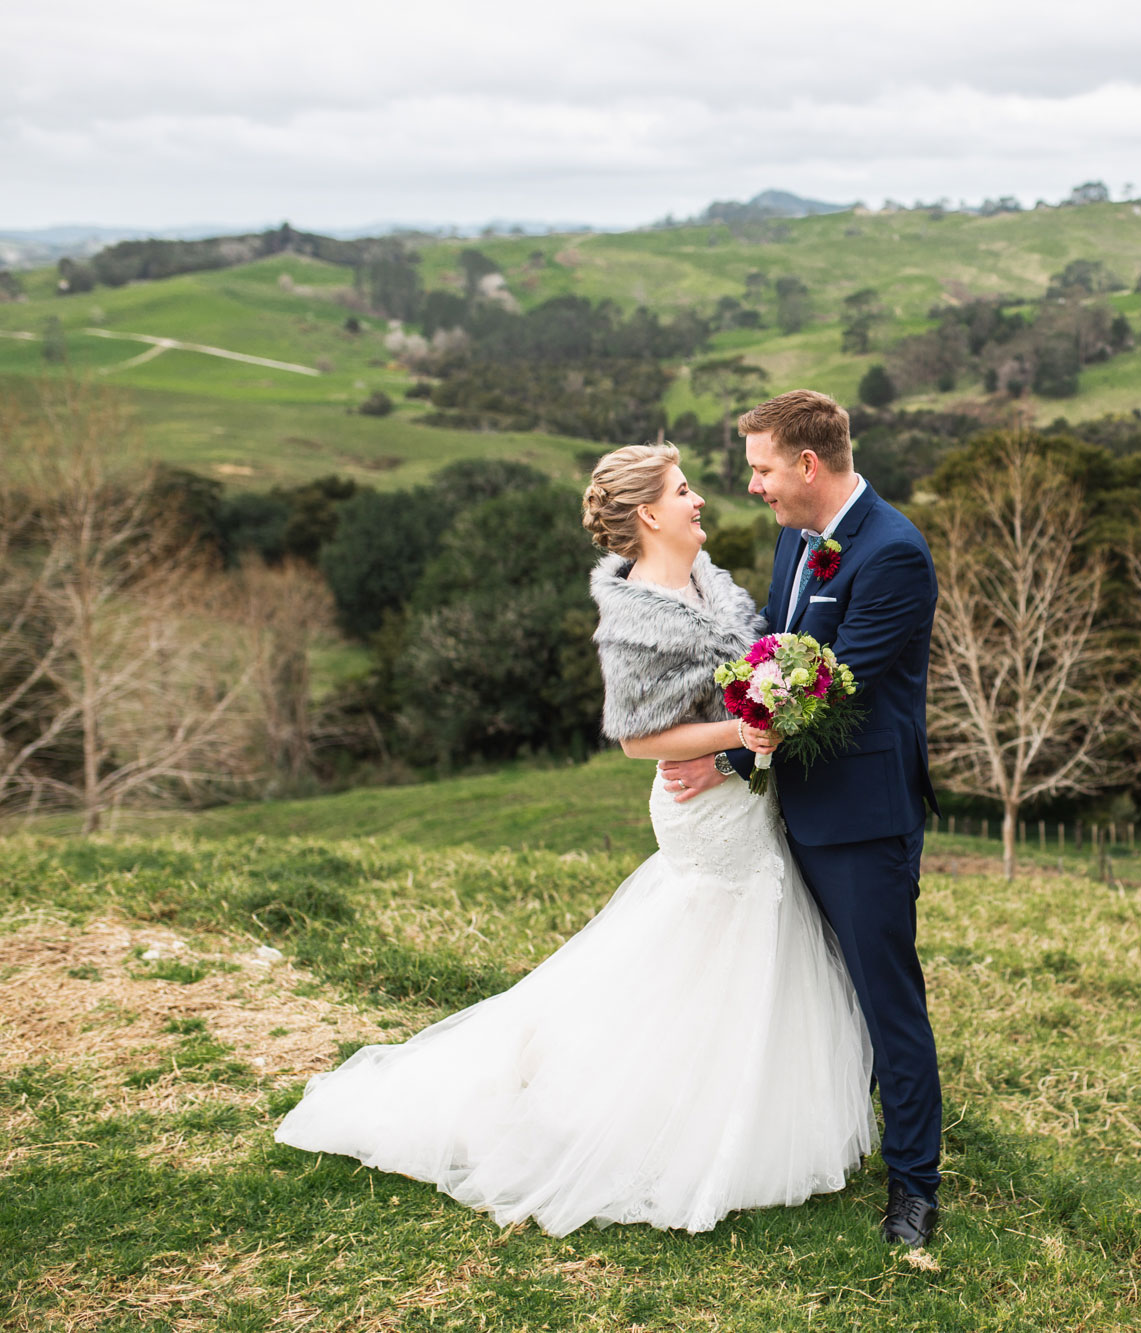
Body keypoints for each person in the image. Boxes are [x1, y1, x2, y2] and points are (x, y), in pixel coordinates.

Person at [273, 440, 875, 1238]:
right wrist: (744, 727)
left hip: (742, 796)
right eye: (684, 489)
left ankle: (738, 1101)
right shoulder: (634, 617)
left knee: (742, 947)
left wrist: (760, 717)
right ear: (650, 514)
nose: (701, 500)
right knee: (703, 952)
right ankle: (644, 1115)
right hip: (704, 807)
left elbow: (748, 662)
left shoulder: (707, 579)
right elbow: (635, 737)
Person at [656, 389, 943, 1247]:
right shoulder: (795, 537)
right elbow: (771, 652)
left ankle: (915, 1188)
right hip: (791, 812)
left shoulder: (894, 554)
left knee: (885, 997)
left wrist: (725, 755)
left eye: (763, 468)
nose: (754, 486)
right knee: (813, 989)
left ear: (808, 465)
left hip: (861, 817)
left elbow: (827, 685)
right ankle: (827, 1136)